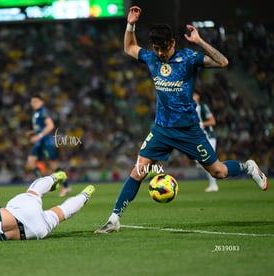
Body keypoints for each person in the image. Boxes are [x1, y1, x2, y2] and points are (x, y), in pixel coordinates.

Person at [94, 6, 268, 234]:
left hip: (189, 131)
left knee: (219, 172)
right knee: (139, 170)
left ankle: (247, 167)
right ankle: (114, 219)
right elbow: (129, 47)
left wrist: (199, 41)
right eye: (156, 49)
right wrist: (131, 24)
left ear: (173, 43)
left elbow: (223, 62)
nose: (160, 53)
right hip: (162, 130)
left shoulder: (189, 58)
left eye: (163, 49)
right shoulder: (152, 58)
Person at [25, 94, 71, 197]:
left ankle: (66, 186)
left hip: (45, 141)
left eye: (36, 101)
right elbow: (41, 127)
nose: (33, 103)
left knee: (53, 165)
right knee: (30, 163)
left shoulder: (43, 111)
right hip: (39, 141)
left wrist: (39, 135)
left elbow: (50, 125)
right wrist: (33, 132)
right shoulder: (36, 113)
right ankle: (42, 186)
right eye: (32, 101)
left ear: (42, 102)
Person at [193, 90, 219, 192]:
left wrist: (201, 124)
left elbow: (212, 121)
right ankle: (221, 170)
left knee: (208, 161)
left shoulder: (202, 107)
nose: (192, 97)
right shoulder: (188, 107)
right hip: (198, 138)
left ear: (198, 96)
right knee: (200, 163)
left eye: (194, 95)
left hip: (208, 137)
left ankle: (214, 185)